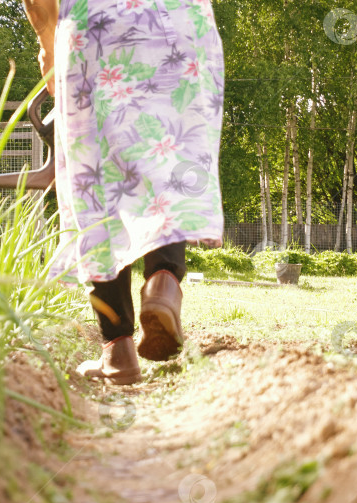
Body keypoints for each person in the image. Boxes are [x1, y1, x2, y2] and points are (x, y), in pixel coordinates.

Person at [23, 0, 224, 385]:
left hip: (95, 20)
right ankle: (163, 283)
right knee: (169, 155)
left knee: (94, 179)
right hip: (181, 19)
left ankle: (118, 349)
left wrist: (48, 43)